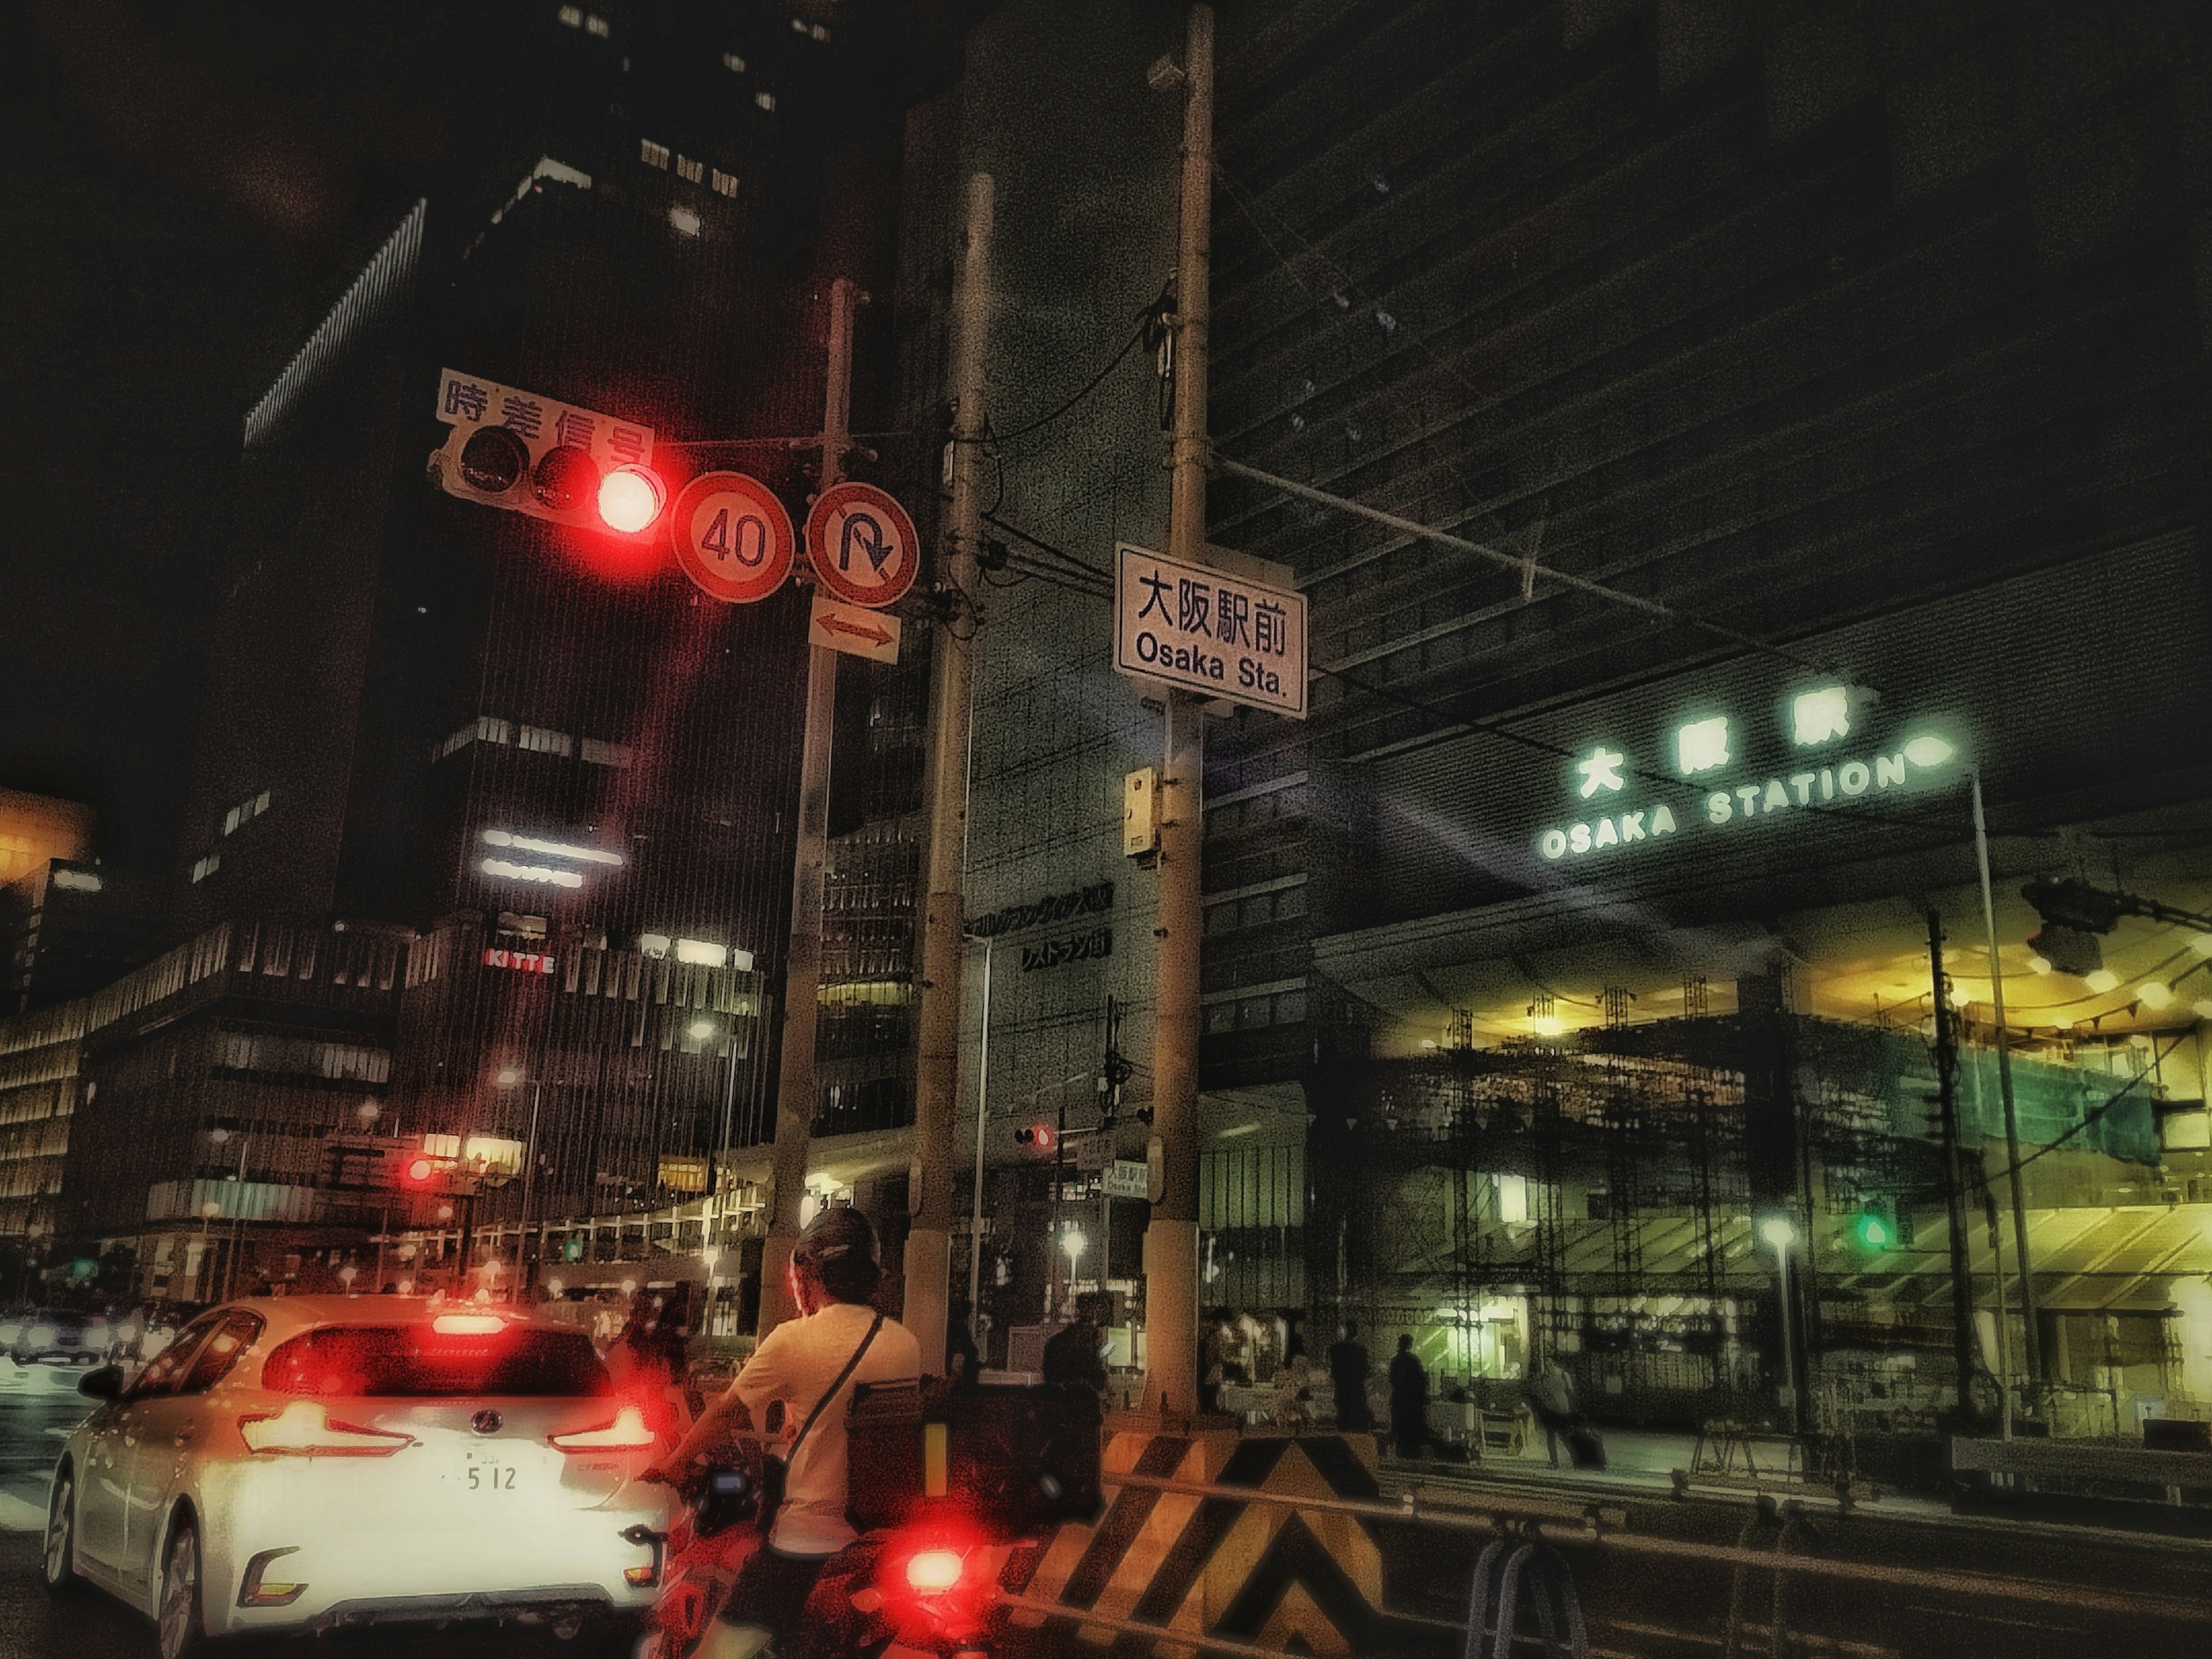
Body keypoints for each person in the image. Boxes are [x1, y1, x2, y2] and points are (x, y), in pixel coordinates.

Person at [647, 1207, 921, 1659]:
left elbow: (724, 1415)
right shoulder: (904, 1342)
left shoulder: (793, 1339)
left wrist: (673, 1465)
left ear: (809, 1272)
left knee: (716, 1655)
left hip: (806, 1541)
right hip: (877, 1541)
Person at [1041, 1290, 1109, 1395]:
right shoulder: (1084, 1343)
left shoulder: (1056, 1341)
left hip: (1058, 1400)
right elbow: (1095, 1379)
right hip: (1077, 1400)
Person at [1525, 1356, 1576, 1469]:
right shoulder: (1560, 1375)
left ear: (1553, 1363)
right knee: (1557, 1436)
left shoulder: (1556, 1376)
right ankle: (1563, 1460)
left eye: (1548, 1363)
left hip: (1557, 1409)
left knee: (1557, 1436)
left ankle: (1557, 1461)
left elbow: (1542, 1392)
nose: (1547, 1365)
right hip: (1559, 1409)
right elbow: (1570, 1390)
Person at [1388, 1334, 1428, 1459]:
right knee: (1412, 1427)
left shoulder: (1396, 1361)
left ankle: (1402, 1450)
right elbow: (1421, 1380)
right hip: (1412, 1401)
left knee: (1400, 1426)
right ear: (1410, 1345)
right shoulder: (1414, 1361)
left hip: (1400, 1399)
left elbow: (1392, 1379)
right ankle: (1412, 1451)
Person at [1328, 1323, 1373, 1431]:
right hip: (1356, 1388)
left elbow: (1334, 1370)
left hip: (1342, 1388)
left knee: (1344, 1413)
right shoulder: (1361, 1350)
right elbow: (1366, 1370)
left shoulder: (1336, 1350)